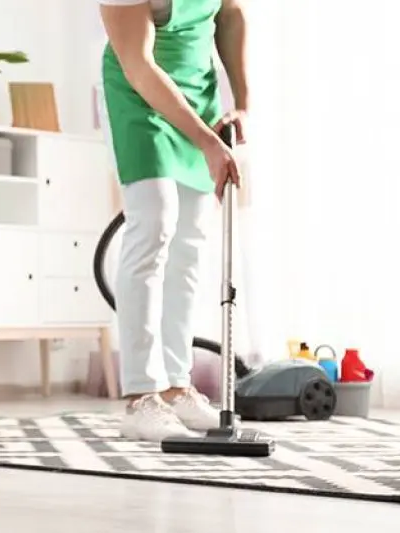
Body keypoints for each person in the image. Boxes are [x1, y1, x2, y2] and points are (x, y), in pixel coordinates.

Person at [98, 0, 248, 442]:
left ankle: (177, 385)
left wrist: (242, 104)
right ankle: (141, 397)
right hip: (138, 96)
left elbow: (230, 14)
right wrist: (207, 143)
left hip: (197, 93)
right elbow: (140, 67)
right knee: (154, 223)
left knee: (190, 244)